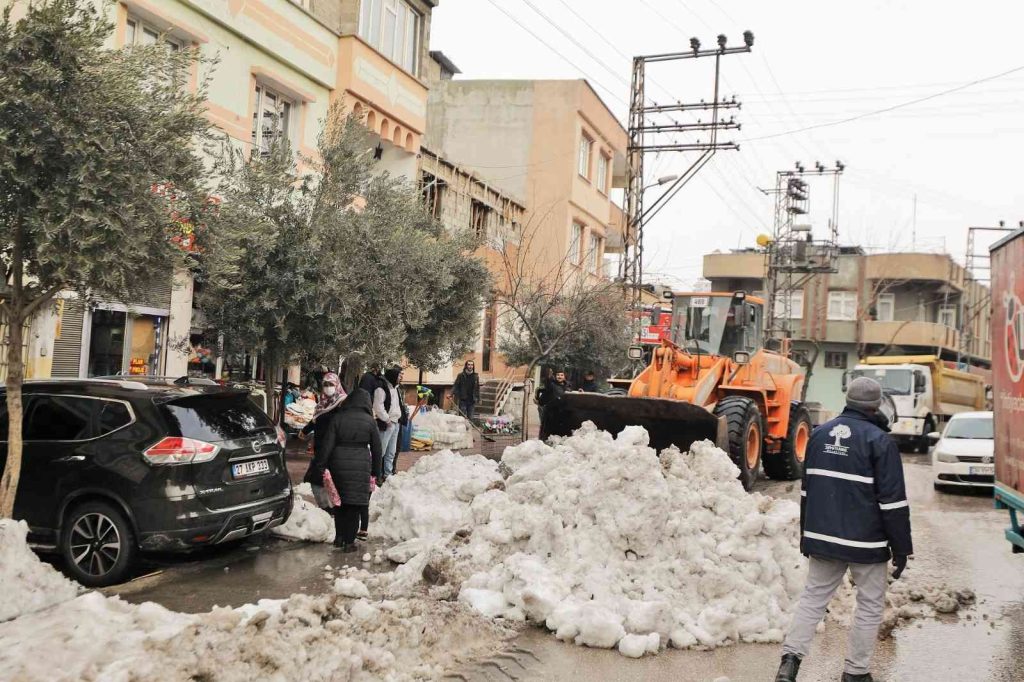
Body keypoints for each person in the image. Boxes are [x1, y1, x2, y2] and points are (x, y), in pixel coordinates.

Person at [775, 377, 913, 682]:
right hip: (867, 543)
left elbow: (807, 491)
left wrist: (806, 536)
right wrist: (902, 548)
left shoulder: (819, 434)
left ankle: (789, 664)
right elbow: (892, 503)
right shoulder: (881, 442)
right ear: (876, 405)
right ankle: (856, 672)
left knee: (813, 599)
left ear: (848, 400)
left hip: (822, 536)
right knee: (869, 604)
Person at [311, 388, 383, 552]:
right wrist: (376, 472)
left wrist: (321, 466)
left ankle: (339, 537)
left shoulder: (338, 418)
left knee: (340, 503)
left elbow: (327, 444)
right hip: (361, 464)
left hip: (338, 462)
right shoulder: (370, 421)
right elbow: (378, 449)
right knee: (355, 505)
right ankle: (349, 542)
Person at [374, 365, 405, 483]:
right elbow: (378, 407)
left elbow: (396, 405)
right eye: (398, 376)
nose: (400, 378)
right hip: (386, 423)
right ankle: (377, 475)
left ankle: (387, 474)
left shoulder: (395, 388)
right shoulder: (381, 388)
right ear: (393, 376)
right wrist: (386, 420)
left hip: (395, 422)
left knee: (391, 452)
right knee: (381, 450)